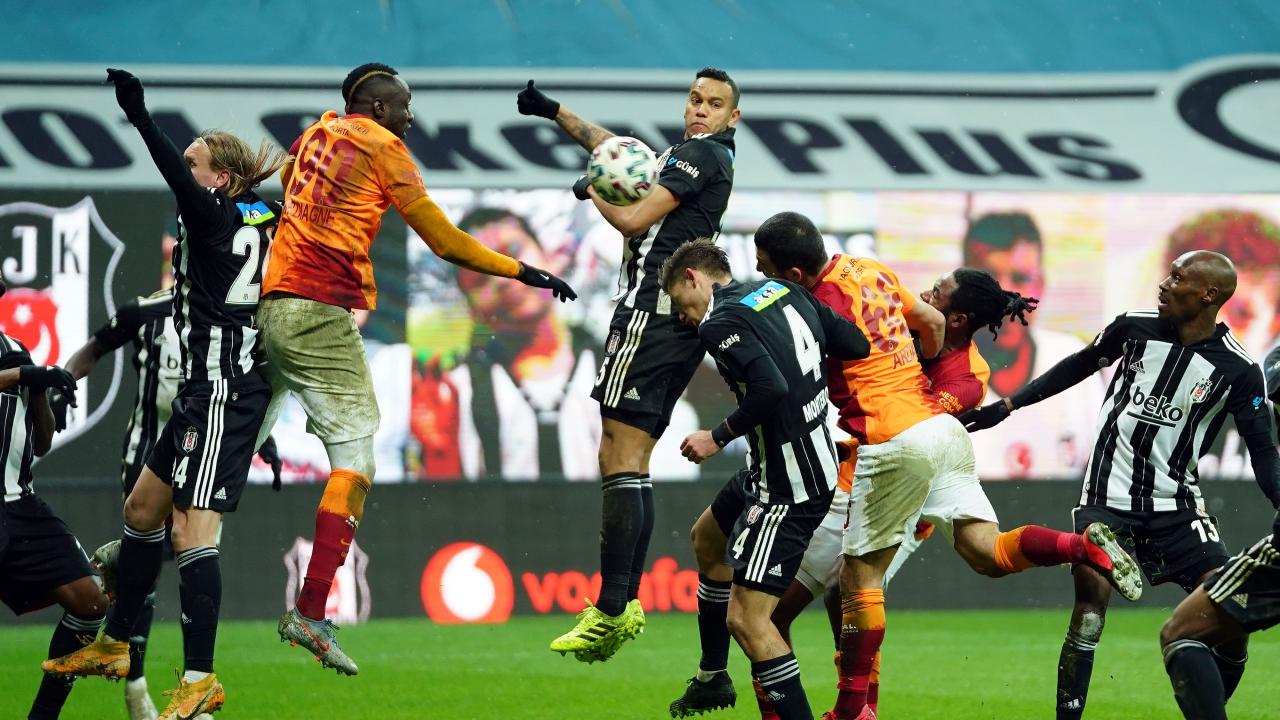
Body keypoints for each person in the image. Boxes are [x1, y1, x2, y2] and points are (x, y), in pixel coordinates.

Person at [259, 62, 575, 674]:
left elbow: (290, 181)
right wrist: (523, 270)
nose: (410, 115)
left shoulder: (318, 131)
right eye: (403, 104)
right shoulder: (385, 148)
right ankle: (311, 609)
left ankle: (139, 539)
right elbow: (446, 242)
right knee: (356, 461)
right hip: (320, 313)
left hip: (274, 307)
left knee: (224, 452)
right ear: (378, 108)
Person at [42, 69, 287, 720]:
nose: (184, 171)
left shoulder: (212, 214)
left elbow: (180, 180)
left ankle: (200, 678)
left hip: (222, 388)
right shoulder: (262, 212)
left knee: (190, 532)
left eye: (194, 163)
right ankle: (117, 643)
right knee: (142, 507)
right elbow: (269, 211)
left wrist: (141, 117)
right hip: (200, 394)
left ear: (219, 180)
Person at [963, 250, 1280, 719]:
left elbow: (1264, 453)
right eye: (1168, 274)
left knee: (1228, 618)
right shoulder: (1134, 327)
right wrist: (1008, 406)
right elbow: (1077, 365)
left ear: (1209, 294)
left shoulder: (1239, 369)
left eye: (1178, 278)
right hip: (1105, 498)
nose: (1165, 284)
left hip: (1179, 507)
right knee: (1090, 605)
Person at [518, 67, 740, 660]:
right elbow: (612, 149)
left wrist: (591, 189)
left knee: (619, 453)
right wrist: (556, 112)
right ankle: (620, 603)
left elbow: (633, 218)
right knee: (631, 456)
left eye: (714, 103)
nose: (701, 109)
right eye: (696, 99)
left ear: (732, 117)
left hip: (651, 315)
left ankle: (613, 606)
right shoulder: (690, 155)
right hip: (676, 321)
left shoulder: (701, 155)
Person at [662, 238, 869, 720]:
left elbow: (770, 387)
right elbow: (855, 345)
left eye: (678, 300)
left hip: (787, 485)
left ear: (693, 277)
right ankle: (712, 677)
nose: (681, 315)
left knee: (748, 620)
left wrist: (717, 436)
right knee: (707, 538)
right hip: (794, 462)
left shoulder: (719, 323)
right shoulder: (783, 290)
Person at [55, 286, 282, 720]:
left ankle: (195, 686)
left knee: (189, 545)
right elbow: (93, 349)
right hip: (150, 449)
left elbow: (242, 375)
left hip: (209, 438)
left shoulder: (227, 310)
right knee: (151, 542)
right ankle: (135, 676)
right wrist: (62, 382)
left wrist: (261, 436)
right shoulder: (146, 312)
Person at [0, 304, 106, 720]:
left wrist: (41, 391)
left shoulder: (15, 350)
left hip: (19, 503)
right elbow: (19, 377)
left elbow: (41, 443)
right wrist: (25, 376)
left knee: (91, 602)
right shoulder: (19, 366)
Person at [963, 212, 1104, 478]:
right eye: (988, 281)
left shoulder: (1075, 363)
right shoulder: (934, 375)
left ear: (1041, 286)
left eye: (1020, 278)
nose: (1005, 300)